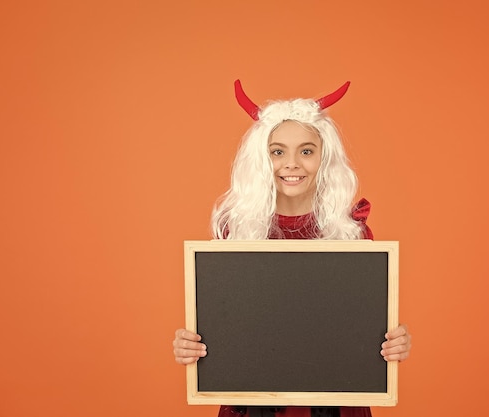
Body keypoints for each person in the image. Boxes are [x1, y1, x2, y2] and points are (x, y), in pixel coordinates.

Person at [173, 80, 412, 417]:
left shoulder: (352, 233)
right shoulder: (236, 233)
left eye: (306, 150)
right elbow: (222, 325)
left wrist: (393, 341)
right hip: (253, 405)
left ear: (324, 157)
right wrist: (191, 345)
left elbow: (364, 327)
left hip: (336, 405)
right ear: (261, 159)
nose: (292, 163)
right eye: (277, 151)